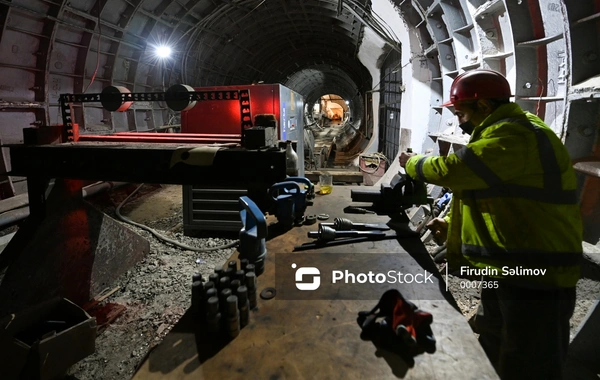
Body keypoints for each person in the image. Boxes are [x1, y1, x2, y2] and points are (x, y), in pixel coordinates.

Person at [398, 69, 582, 379]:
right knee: (495, 342)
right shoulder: (496, 134)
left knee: (531, 363)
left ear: (483, 106)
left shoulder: (519, 135)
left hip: (537, 274)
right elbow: (477, 190)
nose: (459, 121)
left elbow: (455, 171)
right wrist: (450, 223)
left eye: (461, 112)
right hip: (509, 268)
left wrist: (412, 163)